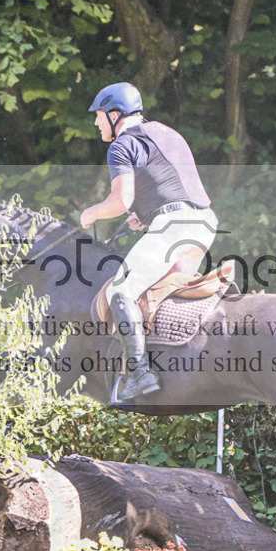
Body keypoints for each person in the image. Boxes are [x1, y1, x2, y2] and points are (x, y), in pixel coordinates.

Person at [80, 82, 218, 401]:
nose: (96, 123)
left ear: (116, 115)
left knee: (120, 290)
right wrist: (148, 215)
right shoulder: (168, 134)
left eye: (99, 116)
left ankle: (140, 373)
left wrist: (92, 212)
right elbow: (171, 184)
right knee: (162, 290)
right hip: (204, 222)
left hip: (175, 226)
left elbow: (119, 201)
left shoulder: (121, 145)